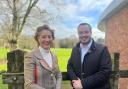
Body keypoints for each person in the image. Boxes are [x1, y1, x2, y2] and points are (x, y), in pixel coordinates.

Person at [67, 23, 112, 89]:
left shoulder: (102, 49)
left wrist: (83, 83)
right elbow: (70, 66)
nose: (83, 35)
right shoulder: (75, 49)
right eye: (80, 32)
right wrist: (75, 82)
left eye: (86, 32)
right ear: (78, 34)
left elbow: (105, 72)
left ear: (91, 32)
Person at [24, 25, 62, 89]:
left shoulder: (54, 56)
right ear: (38, 39)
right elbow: (29, 84)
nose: (47, 40)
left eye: (49, 37)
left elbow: (58, 75)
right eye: (43, 37)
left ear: (52, 38)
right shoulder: (31, 56)